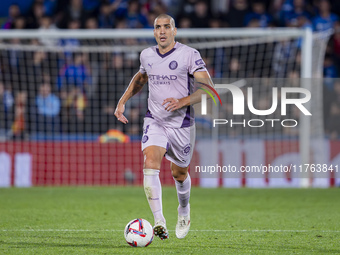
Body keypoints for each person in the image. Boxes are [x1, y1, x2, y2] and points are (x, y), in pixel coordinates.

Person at [114, 14, 214, 240]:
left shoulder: (189, 54)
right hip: (155, 119)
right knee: (150, 162)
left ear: (174, 31)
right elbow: (140, 78)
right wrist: (123, 101)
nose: (162, 31)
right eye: (157, 27)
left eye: (166, 27)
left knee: (179, 174)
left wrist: (182, 101)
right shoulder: (147, 55)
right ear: (154, 32)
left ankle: (184, 210)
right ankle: (159, 220)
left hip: (182, 124)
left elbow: (209, 88)